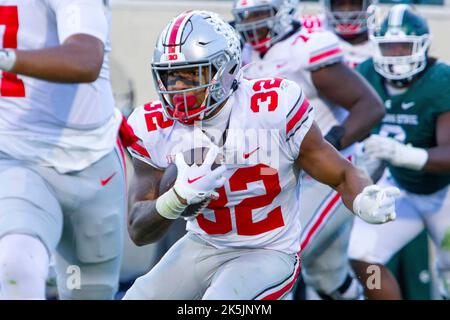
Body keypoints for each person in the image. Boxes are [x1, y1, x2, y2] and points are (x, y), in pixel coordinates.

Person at [122, 10, 398, 300]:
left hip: (267, 251)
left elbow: (341, 173)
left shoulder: (272, 108)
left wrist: (365, 196)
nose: (178, 89)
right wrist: (176, 198)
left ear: (225, 70)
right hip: (203, 244)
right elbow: (139, 231)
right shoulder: (151, 126)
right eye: (170, 76)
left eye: (192, 74)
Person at [232, 0, 383, 299]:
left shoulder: (305, 49)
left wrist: (326, 148)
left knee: (273, 260)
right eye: (246, 16)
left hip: (323, 177)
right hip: (272, 178)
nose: (252, 22)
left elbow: (369, 107)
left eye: (261, 13)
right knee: (329, 280)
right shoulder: (242, 51)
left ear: (284, 10)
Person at [0, 0, 126, 299]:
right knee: (16, 266)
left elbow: (85, 60)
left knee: (89, 292)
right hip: (19, 158)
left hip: (93, 163)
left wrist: (5, 58)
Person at [349, 4, 450, 300]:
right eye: (389, 47)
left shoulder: (441, 79)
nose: (397, 56)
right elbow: (350, 128)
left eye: (404, 46)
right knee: (362, 256)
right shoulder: (366, 73)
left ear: (421, 46)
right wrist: (363, 159)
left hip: (444, 194)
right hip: (400, 188)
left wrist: (400, 153)